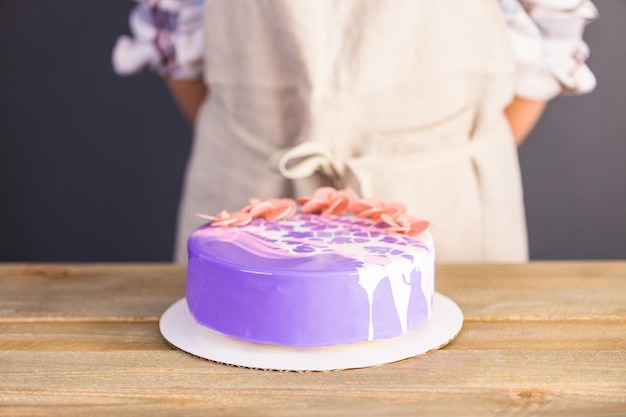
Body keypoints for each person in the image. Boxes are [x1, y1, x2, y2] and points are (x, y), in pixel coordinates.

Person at [113, 0, 597, 263]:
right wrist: (246, 147)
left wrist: (451, 159)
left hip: (452, 213)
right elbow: (173, 31)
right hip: (249, 194)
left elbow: (554, 33)